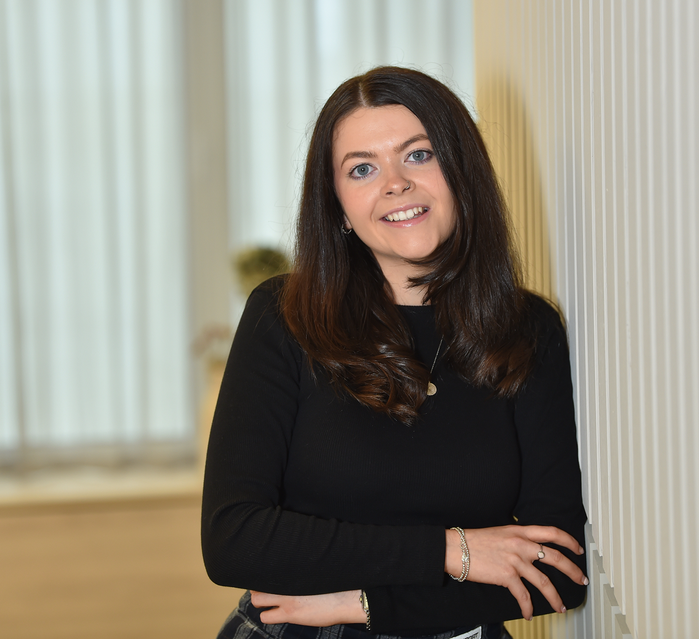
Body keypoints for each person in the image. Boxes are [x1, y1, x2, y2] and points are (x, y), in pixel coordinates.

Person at [201, 66, 588, 639]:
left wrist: (366, 603)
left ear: (462, 170)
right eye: (362, 169)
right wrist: (453, 552)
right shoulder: (283, 316)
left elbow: (559, 570)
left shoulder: (527, 329)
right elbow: (234, 539)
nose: (395, 184)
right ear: (337, 207)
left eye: (418, 155)